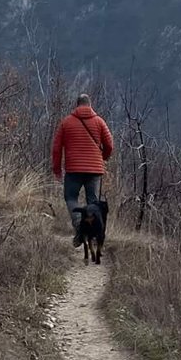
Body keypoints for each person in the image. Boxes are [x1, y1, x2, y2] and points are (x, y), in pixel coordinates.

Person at [50, 92, 114, 245]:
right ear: (90, 105)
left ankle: (79, 225)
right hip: (95, 170)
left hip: (73, 169)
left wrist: (57, 169)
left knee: (71, 198)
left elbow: (56, 148)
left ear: (77, 105)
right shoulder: (99, 122)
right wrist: (102, 158)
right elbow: (110, 145)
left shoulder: (66, 122)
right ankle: (93, 235)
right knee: (93, 202)